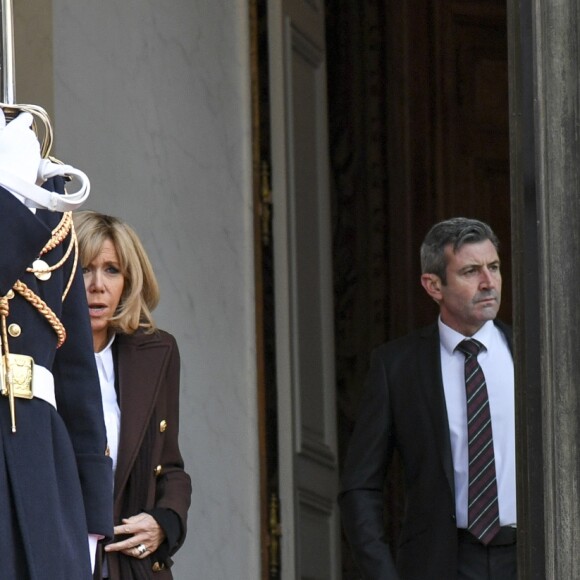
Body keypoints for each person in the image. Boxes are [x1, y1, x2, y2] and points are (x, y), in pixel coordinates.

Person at [339, 217, 516, 580]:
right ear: (433, 285)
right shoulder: (396, 367)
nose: (489, 283)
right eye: (471, 271)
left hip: (530, 556)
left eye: (494, 267)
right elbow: (361, 485)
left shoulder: (536, 354)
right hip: (439, 563)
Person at [0, 111, 113, 578]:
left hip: (43, 461)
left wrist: (91, 519)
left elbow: (76, 378)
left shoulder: (58, 227)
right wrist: (9, 195)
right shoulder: (24, 206)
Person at [73, 210, 192, 579]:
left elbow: (170, 466)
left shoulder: (157, 353)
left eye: (112, 270)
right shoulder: (38, 354)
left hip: (131, 566)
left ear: (129, 280)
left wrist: (164, 522)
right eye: (83, 269)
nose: (97, 285)